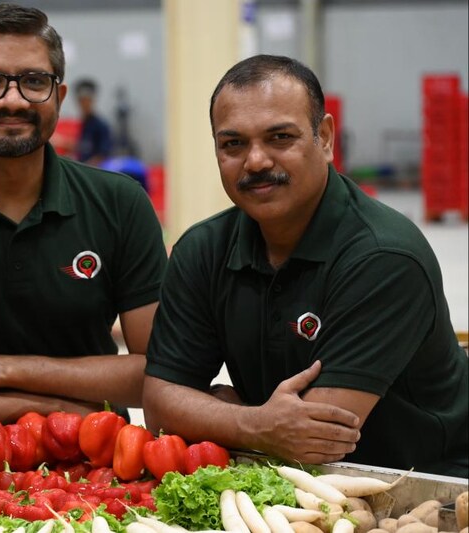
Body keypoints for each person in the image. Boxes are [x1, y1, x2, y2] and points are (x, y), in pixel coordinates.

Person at [142, 54, 468, 476]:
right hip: (289, 479)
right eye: (233, 144)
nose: (256, 161)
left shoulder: (384, 257)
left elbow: (317, 439)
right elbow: (159, 405)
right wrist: (255, 423)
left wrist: (218, 413)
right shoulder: (202, 250)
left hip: (428, 482)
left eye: (280, 137)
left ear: (325, 138)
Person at [0, 4, 167, 432]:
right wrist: (54, 409)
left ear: (59, 96)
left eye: (34, 81)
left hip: (95, 458)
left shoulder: (120, 203)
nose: (13, 100)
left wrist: (2, 369)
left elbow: (161, 374)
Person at [73, 78, 113, 166]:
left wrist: (85, 167)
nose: (84, 105)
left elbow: (103, 154)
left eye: (87, 101)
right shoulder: (83, 124)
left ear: (92, 101)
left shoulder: (101, 126)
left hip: (93, 170)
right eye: (82, 101)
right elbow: (82, 147)